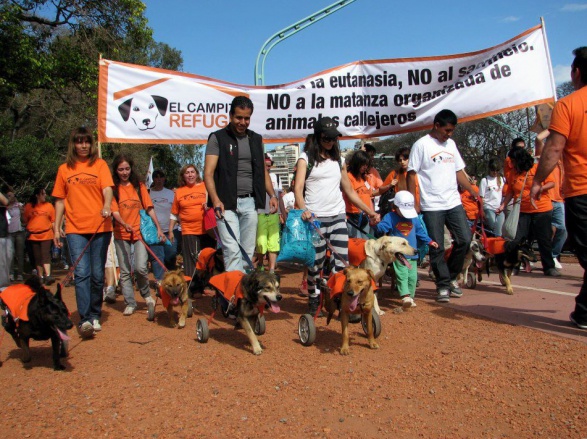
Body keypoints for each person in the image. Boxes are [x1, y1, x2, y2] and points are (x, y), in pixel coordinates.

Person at [294, 116, 380, 315]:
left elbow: (349, 191)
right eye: (327, 138)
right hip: (315, 219)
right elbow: (298, 188)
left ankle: (339, 300)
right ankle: (314, 296)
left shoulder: (339, 160)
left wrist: (370, 211)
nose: (331, 142)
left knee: (341, 265)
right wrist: (304, 209)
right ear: (318, 137)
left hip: (338, 217)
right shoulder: (305, 159)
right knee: (315, 265)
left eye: (334, 138)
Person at [530, 47, 587, 329]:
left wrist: (537, 181)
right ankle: (584, 312)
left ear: (576, 72)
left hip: (581, 189)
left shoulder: (567, 105)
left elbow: (553, 149)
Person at [407, 109, 477, 303]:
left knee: (464, 240)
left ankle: (452, 276)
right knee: (436, 246)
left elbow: (458, 171)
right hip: (432, 205)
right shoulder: (421, 145)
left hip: (453, 202)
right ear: (436, 125)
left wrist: (472, 191)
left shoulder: (451, 144)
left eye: (452, 130)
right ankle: (443, 285)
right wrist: (414, 202)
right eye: (447, 130)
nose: (449, 134)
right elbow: (411, 174)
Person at [204, 96, 278, 272]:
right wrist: (215, 200)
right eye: (238, 117)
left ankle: (242, 287)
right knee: (232, 250)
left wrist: (272, 195)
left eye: (246, 118)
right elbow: (208, 173)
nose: (242, 122)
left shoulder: (256, 139)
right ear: (230, 116)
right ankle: (233, 288)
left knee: (247, 252)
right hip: (225, 204)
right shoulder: (217, 138)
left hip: (250, 202)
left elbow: (263, 172)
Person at [52, 127, 113, 338]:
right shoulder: (64, 169)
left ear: (92, 144)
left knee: (97, 274)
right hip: (75, 229)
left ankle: (95, 314)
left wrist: (107, 205)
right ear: (73, 144)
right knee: (81, 273)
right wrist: (56, 227)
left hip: (100, 227)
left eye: (87, 141)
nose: (83, 145)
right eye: (79, 142)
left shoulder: (100, 165)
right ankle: (85, 319)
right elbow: (60, 200)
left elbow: (107, 188)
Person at [110, 154, 165, 317]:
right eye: (121, 169)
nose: (124, 172)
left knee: (141, 267)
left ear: (131, 169)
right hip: (121, 234)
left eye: (127, 169)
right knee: (125, 270)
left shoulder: (139, 186)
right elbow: (114, 212)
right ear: (116, 170)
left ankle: (146, 295)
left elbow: (149, 208)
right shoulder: (113, 189)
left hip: (139, 233)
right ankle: (130, 303)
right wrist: (123, 223)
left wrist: (158, 228)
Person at [497, 147, 558, 276]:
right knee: (517, 239)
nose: (511, 164)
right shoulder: (513, 173)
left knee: (544, 239)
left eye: (513, 161)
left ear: (520, 159)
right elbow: (510, 191)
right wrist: (503, 205)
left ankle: (549, 267)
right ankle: (514, 265)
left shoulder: (537, 169)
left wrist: (540, 189)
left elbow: (551, 183)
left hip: (541, 209)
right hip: (522, 211)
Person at [376, 191, 437, 308]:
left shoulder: (414, 218)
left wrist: (429, 241)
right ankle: (405, 296)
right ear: (396, 206)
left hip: (412, 253)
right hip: (399, 254)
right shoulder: (390, 217)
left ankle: (411, 297)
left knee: (413, 277)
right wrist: (377, 225)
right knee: (402, 275)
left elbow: (420, 232)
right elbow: (382, 228)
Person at [168, 164, 214, 280]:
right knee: (192, 260)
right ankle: (192, 285)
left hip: (208, 229)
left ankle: (209, 283)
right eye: (187, 173)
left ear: (197, 174)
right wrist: (171, 231)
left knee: (209, 258)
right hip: (189, 230)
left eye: (192, 172)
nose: (190, 175)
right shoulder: (179, 192)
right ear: (183, 176)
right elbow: (174, 213)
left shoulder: (205, 186)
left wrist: (209, 204)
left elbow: (216, 201)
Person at [535, 130, 567, 270]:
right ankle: (545, 258)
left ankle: (553, 255)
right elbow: (538, 138)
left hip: (559, 199)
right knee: (547, 232)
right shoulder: (546, 154)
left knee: (562, 229)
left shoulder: (563, 159)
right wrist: (553, 128)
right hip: (546, 198)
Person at [255, 153, 281, 273]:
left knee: (273, 242)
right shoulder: (257, 176)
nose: (267, 166)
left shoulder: (276, 177)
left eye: (269, 164)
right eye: (265, 164)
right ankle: (260, 263)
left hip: (273, 214)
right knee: (261, 242)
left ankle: (271, 269)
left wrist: (282, 214)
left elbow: (279, 197)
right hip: (260, 213)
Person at [149, 169, 177, 278]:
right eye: (156, 177)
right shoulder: (148, 193)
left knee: (171, 255)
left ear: (164, 179)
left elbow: (175, 211)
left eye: (161, 177)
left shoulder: (170, 193)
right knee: (157, 258)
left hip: (170, 230)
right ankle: (160, 281)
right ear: (153, 179)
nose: (159, 179)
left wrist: (172, 229)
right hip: (154, 231)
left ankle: (171, 278)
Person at [24, 187, 55, 285]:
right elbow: (25, 220)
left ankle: (48, 275)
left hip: (46, 234)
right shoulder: (29, 206)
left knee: (45, 255)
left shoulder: (49, 206)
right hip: (33, 235)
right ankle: (40, 276)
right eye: (43, 194)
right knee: (37, 256)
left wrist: (57, 233)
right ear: (37, 195)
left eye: (45, 193)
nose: (45, 195)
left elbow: (53, 221)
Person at [344, 150, 376, 239]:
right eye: (363, 164)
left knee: (366, 242)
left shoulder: (364, 178)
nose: (365, 167)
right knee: (356, 242)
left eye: (366, 165)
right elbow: (350, 194)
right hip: (352, 216)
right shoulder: (348, 177)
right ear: (356, 163)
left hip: (365, 215)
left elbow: (369, 194)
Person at [479, 158, 506, 237]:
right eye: (493, 170)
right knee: (493, 225)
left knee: (500, 227)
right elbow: (481, 197)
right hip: (488, 207)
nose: (495, 172)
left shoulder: (502, 179)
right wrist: (482, 211)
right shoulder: (485, 180)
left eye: (497, 170)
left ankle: (498, 240)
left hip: (499, 208)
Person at [6, 188, 25, 282]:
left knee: (20, 253)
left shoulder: (19, 205)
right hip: (9, 233)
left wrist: (22, 211)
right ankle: (11, 273)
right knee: (10, 254)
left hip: (19, 232)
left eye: (11, 195)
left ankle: (20, 274)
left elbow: (24, 217)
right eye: (8, 195)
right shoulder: (5, 207)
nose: (10, 197)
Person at [0, 187, 13, 291]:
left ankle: (3, 287)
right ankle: (2, 288)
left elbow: (6, 202)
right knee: (2, 263)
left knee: (6, 261)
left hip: (3, 233)